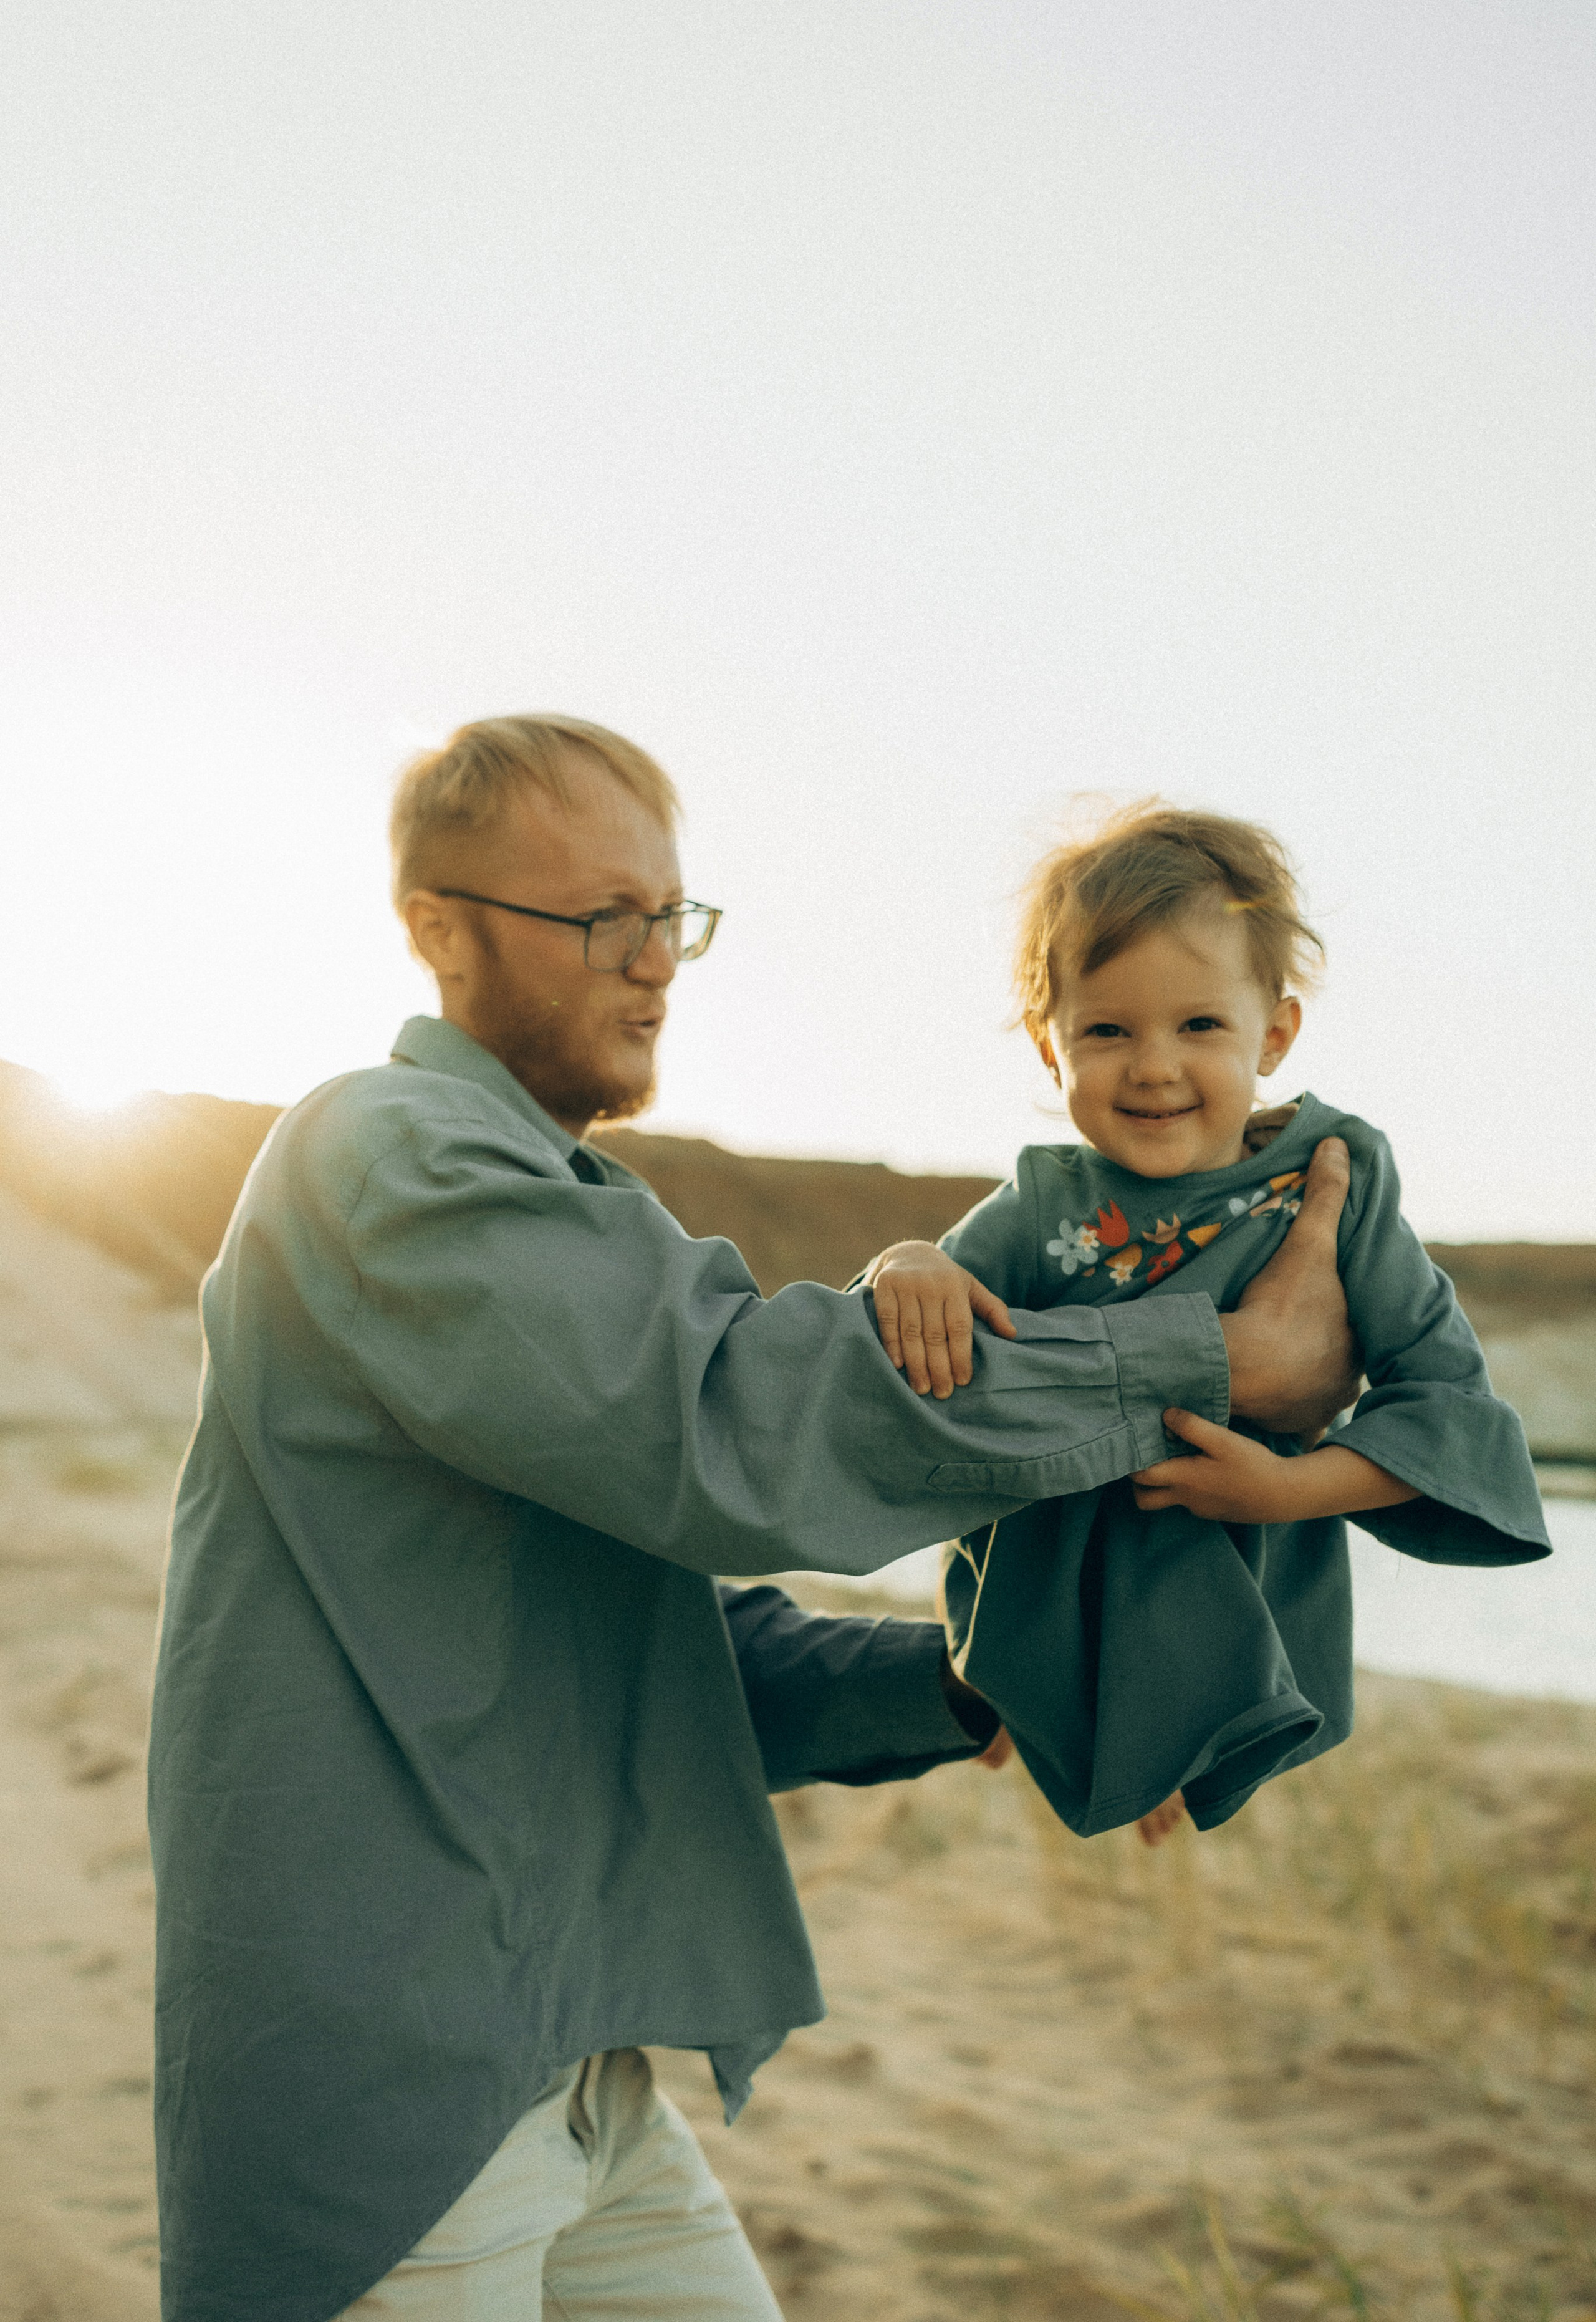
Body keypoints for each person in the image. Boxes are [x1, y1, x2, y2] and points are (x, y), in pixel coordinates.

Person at [148, 723, 1364, 2322]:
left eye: (672, 916)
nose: (655, 965)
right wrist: (1207, 1356)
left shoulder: (582, 1211)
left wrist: (966, 1680)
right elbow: (728, 1424)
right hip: (393, 2082)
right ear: (437, 927)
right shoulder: (384, 1155)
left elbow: (662, 1631)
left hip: (583, 2067)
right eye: (601, 920)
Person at [863, 803, 1549, 1844]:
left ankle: (1190, 1736)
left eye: (1198, 1026)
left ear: (1273, 1032)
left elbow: (1450, 1407)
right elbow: (930, 1305)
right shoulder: (1047, 1199)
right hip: (1055, 1594)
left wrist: (1283, 1487)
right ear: (1050, 1048)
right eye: (1106, 1030)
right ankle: (1109, 1725)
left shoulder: (1332, 1178)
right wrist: (905, 1263)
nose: (1152, 1066)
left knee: (1199, 1740)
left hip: (1251, 1576)